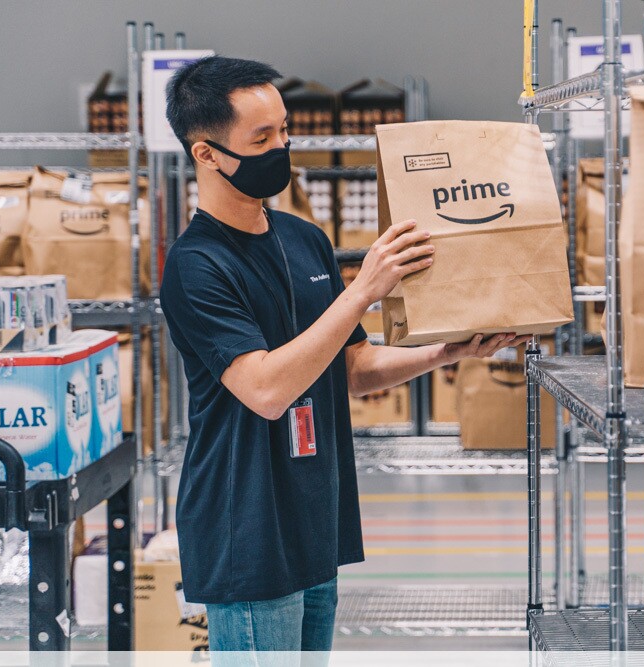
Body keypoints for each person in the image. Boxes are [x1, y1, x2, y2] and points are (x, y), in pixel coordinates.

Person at [160, 55, 528, 658]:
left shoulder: (305, 239)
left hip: (313, 514)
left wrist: (448, 349)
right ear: (206, 154)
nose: (282, 148)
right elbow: (266, 391)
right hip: (246, 524)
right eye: (262, 138)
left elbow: (352, 369)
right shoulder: (197, 264)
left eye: (284, 131)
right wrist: (362, 290)